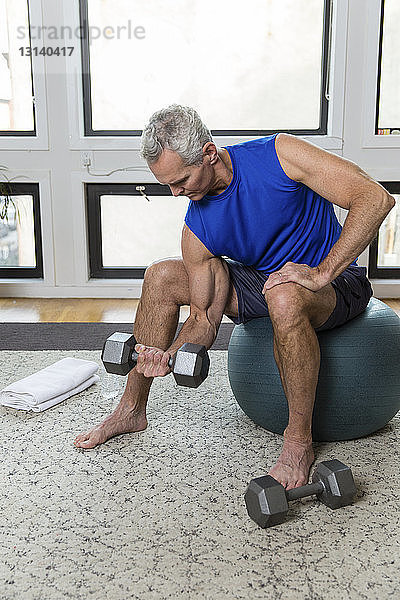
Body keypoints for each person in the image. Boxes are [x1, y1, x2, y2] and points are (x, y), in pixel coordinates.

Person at [74, 104, 395, 491]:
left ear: (209, 154)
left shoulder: (280, 156)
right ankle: (131, 409)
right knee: (161, 275)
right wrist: (169, 354)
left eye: (182, 180)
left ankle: (297, 444)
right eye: (168, 185)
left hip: (335, 283)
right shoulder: (197, 225)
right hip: (263, 283)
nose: (177, 193)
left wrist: (321, 272)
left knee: (285, 296)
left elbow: (375, 198)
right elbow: (204, 319)